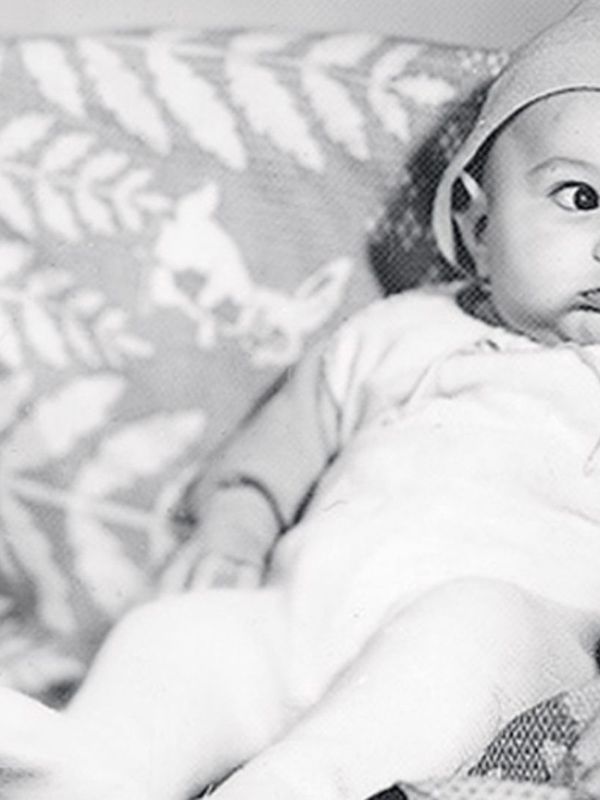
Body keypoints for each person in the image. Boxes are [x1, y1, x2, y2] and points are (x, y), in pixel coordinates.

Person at [5, 2, 600, 799]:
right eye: (581, 198)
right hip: (299, 622)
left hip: (501, 663)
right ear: (478, 221)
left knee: (474, 631)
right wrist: (237, 524)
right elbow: (281, 445)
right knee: (177, 637)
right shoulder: (397, 332)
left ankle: (297, 784)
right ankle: (90, 770)